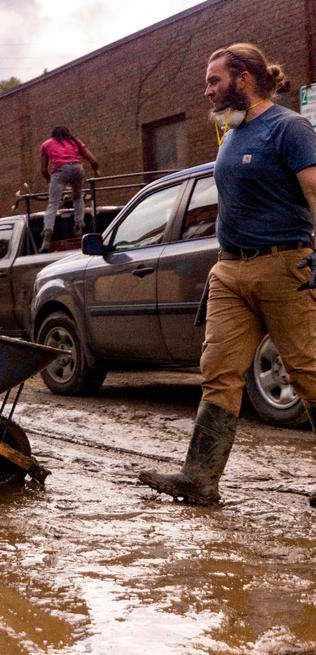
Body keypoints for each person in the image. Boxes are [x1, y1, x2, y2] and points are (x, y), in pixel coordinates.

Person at [140, 43, 316, 508]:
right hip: (230, 270)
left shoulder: (289, 128)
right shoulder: (232, 133)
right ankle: (199, 479)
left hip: (284, 265)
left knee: (307, 371)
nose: (207, 90)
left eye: (214, 80)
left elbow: (315, 191)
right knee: (218, 374)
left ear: (243, 77)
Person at [39, 126, 100, 250]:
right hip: (77, 169)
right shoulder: (75, 141)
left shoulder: (46, 144)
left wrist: (49, 180)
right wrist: (96, 170)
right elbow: (93, 160)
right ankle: (78, 224)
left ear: (53, 135)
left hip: (60, 170)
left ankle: (47, 233)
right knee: (77, 197)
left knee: (53, 203)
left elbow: (44, 170)